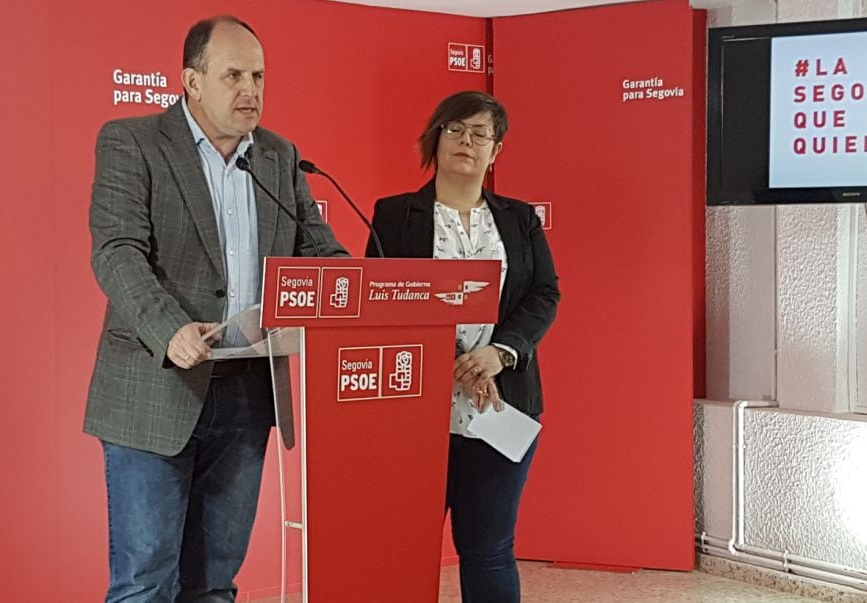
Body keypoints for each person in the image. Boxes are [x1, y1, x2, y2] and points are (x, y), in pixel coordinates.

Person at [85, 15, 346, 602]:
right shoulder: (132, 142)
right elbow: (117, 250)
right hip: (157, 386)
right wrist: (169, 327)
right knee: (145, 581)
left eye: (257, 75)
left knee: (214, 584)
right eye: (233, 75)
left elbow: (320, 251)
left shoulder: (279, 157)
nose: (250, 89)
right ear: (191, 80)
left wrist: (356, 288)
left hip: (248, 394)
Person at [366, 90, 560, 602]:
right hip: (416, 411)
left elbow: (545, 293)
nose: (466, 141)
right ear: (436, 138)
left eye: (480, 133)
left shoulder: (519, 219)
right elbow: (381, 305)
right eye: (455, 129)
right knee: (403, 548)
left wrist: (499, 352)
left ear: (496, 151)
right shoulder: (394, 215)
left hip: (500, 405)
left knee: (489, 549)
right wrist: (444, 359)